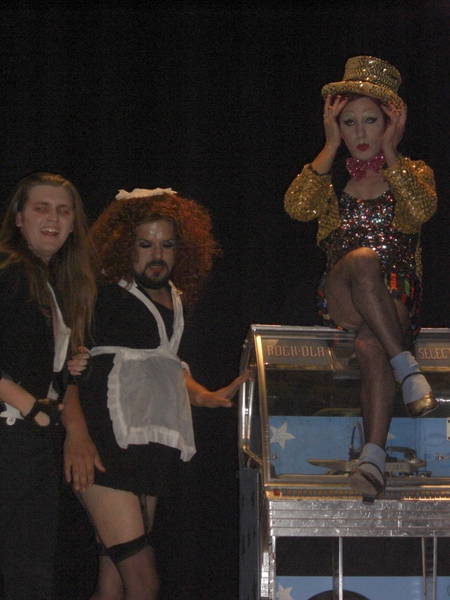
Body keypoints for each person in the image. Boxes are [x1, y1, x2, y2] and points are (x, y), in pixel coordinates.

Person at [65, 187, 246, 599]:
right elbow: (69, 374)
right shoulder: (105, 295)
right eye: (145, 244)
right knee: (144, 582)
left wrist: (203, 395)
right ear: (124, 246)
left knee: (112, 584)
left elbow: (165, 366)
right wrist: (76, 436)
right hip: (104, 450)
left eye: (167, 244)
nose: (157, 254)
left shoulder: (176, 299)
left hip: (148, 449)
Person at [284, 56, 437, 498]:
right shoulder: (329, 178)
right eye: (349, 122)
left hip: (395, 295)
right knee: (363, 258)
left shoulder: (414, 172)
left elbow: (422, 210)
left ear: (390, 123)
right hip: (342, 293)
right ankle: (407, 366)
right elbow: (296, 208)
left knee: (372, 344)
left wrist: (392, 154)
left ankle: (372, 458)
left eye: (371, 120)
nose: (361, 133)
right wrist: (329, 146)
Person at [0, 172, 96, 599]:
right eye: (41, 208)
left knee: (30, 566)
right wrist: (30, 406)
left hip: (28, 436)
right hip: (14, 433)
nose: (53, 219)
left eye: (63, 211)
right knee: (28, 568)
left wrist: (64, 367)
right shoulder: (11, 270)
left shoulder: (44, 278)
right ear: (19, 218)